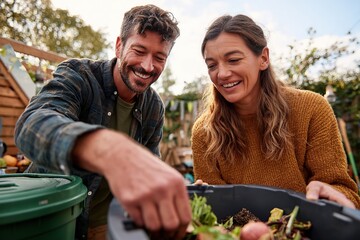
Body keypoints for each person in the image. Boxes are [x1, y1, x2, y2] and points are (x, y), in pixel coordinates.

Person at [15, 4, 191, 240]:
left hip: (110, 226)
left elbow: (148, 163)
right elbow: (32, 124)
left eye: (159, 57)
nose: (148, 66)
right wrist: (108, 149)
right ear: (119, 46)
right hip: (52, 221)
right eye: (139, 51)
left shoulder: (154, 107)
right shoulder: (79, 75)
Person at [191, 14, 360, 209]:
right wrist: (205, 204)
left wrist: (329, 195)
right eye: (212, 65)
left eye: (233, 60)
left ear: (263, 58)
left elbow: (348, 196)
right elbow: (217, 215)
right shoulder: (204, 132)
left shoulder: (312, 108)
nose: (221, 73)